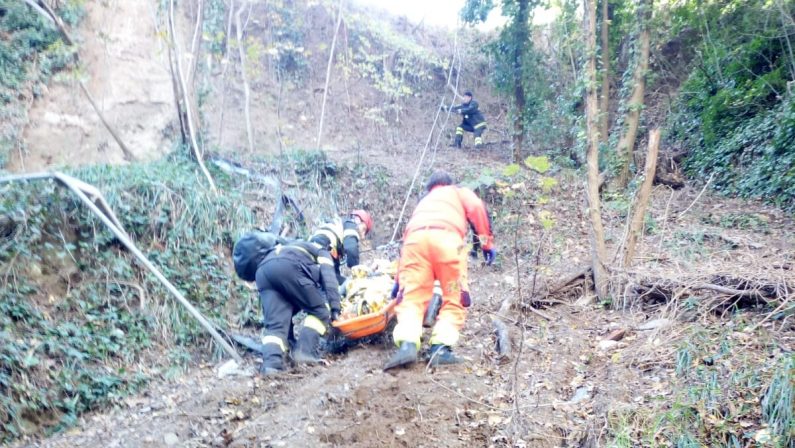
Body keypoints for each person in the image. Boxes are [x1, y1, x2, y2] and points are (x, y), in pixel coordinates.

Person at [384, 170, 497, 370]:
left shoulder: (424, 202)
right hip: (447, 242)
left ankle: (408, 345)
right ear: (448, 182)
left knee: (412, 297)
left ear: (430, 187)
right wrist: (486, 243)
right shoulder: (457, 192)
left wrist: (398, 283)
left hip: (414, 245)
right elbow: (477, 208)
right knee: (454, 296)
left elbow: (407, 238)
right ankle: (440, 349)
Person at [233, 231, 341, 375]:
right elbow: (329, 277)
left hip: (263, 274)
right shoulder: (321, 250)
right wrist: (335, 307)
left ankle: (271, 365)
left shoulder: (290, 245)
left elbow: (291, 300)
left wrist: (290, 338)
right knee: (321, 312)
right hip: (288, 265)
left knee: (276, 326)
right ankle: (304, 352)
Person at [310, 210, 373, 283]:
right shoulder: (350, 224)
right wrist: (357, 272)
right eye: (364, 229)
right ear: (358, 219)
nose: (362, 236)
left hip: (313, 261)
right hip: (320, 255)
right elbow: (351, 249)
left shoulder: (337, 232)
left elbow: (334, 270)